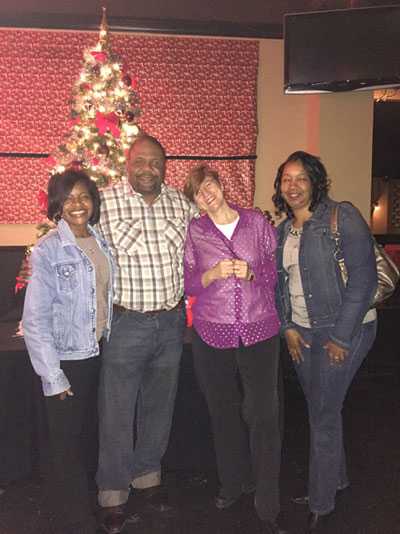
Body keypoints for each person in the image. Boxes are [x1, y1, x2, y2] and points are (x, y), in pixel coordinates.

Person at [273, 151, 378, 533]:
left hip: (345, 330)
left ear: (316, 181)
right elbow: (279, 286)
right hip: (302, 334)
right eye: (286, 179)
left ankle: (321, 501)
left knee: (322, 413)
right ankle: (335, 479)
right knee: (323, 408)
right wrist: (287, 327)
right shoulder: (282, 231)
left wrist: (340, 337)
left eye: (301, 178)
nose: (293, 186)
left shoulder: (341, 216)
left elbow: (364, 281)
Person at [96, 134, 194, 534]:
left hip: (170, 322)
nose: (148, 169)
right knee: (117, 411)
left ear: (165, 166)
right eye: (140, 161)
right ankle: (113, 491)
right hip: (126, 324)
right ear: (127, 163)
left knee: (159, 405)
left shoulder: (182, 204)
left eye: (156, 162)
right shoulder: (104, 202)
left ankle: (147, 475)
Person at [183, 164, 286, 534]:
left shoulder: (256, 222)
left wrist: (252, 273)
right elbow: (188, 283)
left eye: (209, 185)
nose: (206, 194)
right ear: (195, 202)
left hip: (260, 330)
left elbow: (275, 273)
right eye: (198, 192)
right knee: (223, 413)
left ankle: (267, 498)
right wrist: (211, 275)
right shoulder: (196, 231)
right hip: (212, 332)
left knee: (263, 415)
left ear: (220, 184)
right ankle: (232, 483)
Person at [22, 169, 114, 534]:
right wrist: (53, 376)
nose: (78, 204)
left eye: (84, 196)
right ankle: (77, 522)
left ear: (94, 202)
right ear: (57, 205)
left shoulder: (99, 239)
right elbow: (34, 320)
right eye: (69, 197)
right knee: (67, 446)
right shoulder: (48, 249)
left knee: (86, 438)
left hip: (98, 354)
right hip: (66, 359)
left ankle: (80, 510)